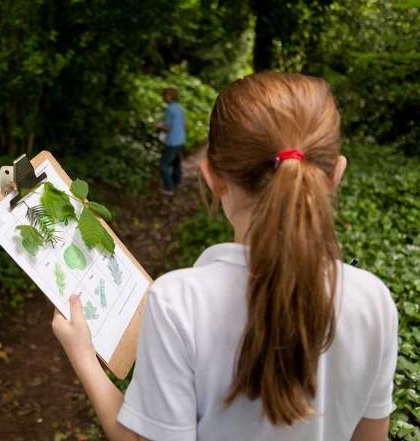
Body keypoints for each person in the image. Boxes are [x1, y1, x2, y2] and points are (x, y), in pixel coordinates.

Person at [52, 72, 398, 441]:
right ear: (335, 175)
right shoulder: (374, 300)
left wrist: (83, 355)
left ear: (212, 177)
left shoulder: (177, 302)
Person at [156, 87, 186, 196]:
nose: (163, 98)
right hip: (181, 140)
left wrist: (159, 125)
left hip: (172, 141)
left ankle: (169, 188)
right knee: (176, 163)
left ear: (168, 96)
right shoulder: (180, 108)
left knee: (163, 165)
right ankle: (176, 182)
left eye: (163, 96)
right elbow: (185, 125)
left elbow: (168, 128)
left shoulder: (169, 109)